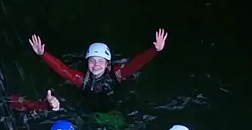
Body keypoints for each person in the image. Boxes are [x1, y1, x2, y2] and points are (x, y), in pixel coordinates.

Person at [28, 29, 167, 95]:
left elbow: (136, 64)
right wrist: (43, 54)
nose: (96, 65)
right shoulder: (81, 79)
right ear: (87, 62)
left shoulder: (118, 73)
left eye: (101, 61)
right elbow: (62, 70)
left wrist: (155, 50)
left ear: (107, 64)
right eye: (92, 61)